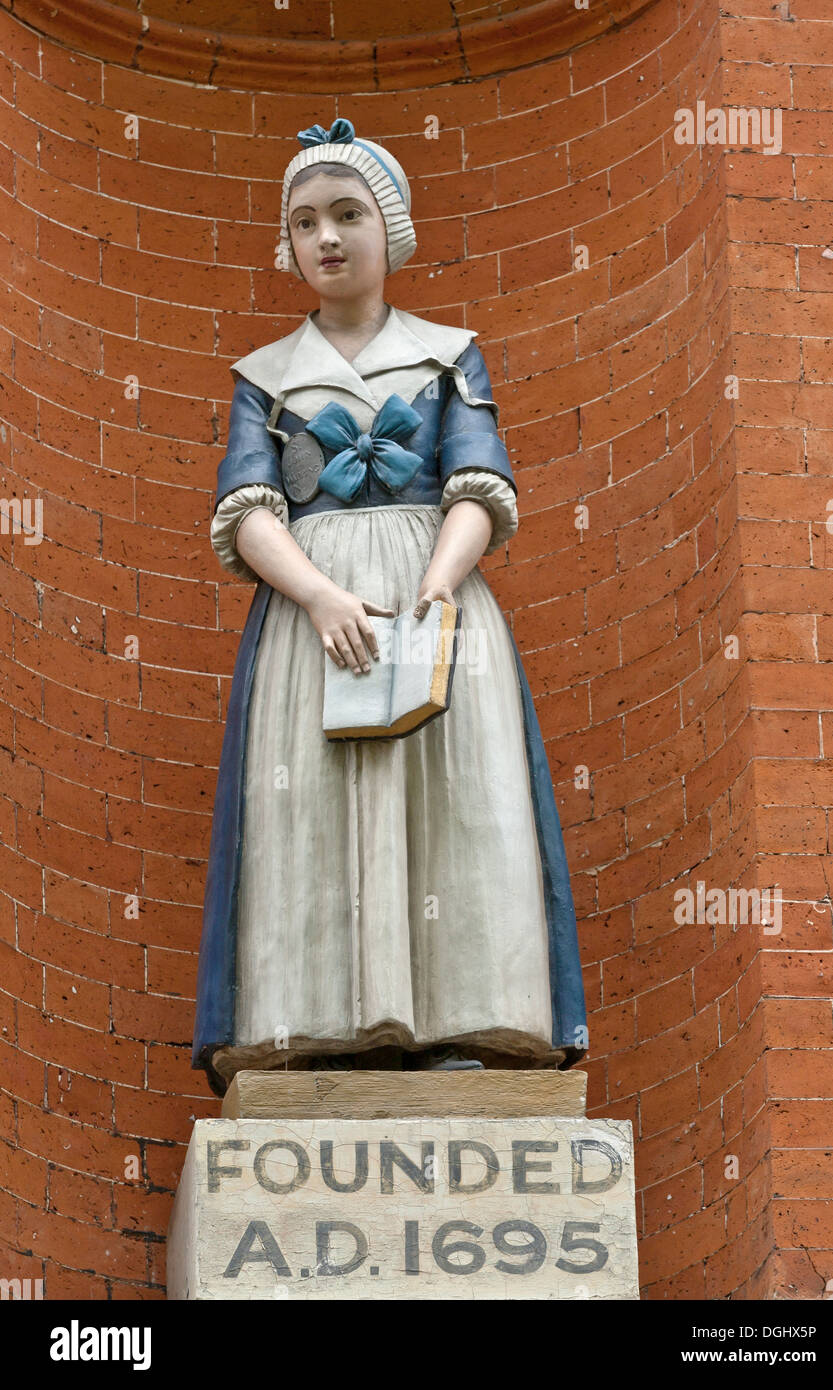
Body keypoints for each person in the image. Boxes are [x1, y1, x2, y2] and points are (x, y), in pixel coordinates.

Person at [192, 118, 587, 1097]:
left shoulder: (449, 354)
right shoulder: (265, 377)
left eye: (346, 214)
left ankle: (463, 1012)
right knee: (313, 808)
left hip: (429, 597)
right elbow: (247, 510)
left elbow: (477, 486)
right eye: (303, 223)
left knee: (457, 800)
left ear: (389, 228)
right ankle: (315, 1015)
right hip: (315, 610)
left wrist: (438, 584)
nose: (324, 237)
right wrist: (320, 593)